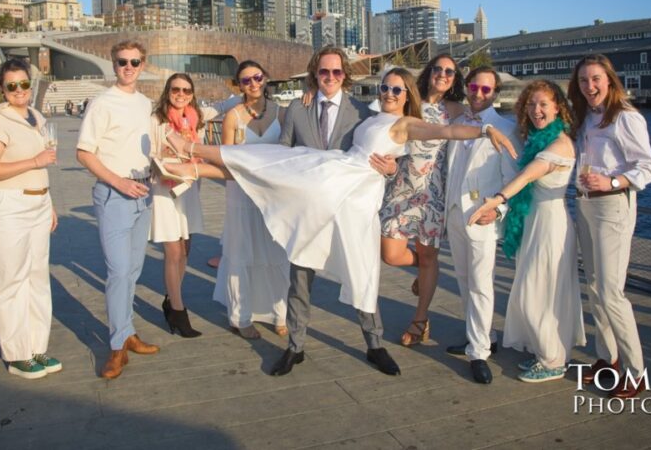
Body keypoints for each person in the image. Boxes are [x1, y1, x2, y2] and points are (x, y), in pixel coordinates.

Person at [162, 62, 516, 377]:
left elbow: (447, 132)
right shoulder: (361, 114)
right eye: (384, 87)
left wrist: (484, 131)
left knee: (364, 272)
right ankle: (295, 346)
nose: (388, 93)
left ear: (405, 93)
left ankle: (375, 345)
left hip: (355, 198)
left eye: (396, 89)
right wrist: (311, 93)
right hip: (327, 182)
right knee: (264, 164)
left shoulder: (404, 121)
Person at [469, 80, 585, 383]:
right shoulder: (538, 139)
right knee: (540, 289)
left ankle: (553, 360)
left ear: (557, 107)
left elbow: (527, 175)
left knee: (536, 291)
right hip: (534, 221)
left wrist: (497, 200)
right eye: (531, 104)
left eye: (543, 104)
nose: (536, 110)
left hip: (551, 225)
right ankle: (545, 351)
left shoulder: (559, 144)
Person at [569, 54, 651, 399]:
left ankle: (636, 372)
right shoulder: (584, 118)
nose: (589, 86)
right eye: (583, 81)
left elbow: (648, 167)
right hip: (584, 204)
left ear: (609, 80)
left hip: (612, 207)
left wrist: (614, 182)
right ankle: (608, 358)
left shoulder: (625, 118)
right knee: (593, 287)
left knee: (611, 292)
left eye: (595, 79)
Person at [76, 40, 159, 380]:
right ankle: (115, 347)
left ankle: (127, 332)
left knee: (134, 270)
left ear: (142, 65)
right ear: (113, 64)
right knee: (119, 272)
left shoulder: (146, 103)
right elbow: (84, 153)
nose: (128, 67)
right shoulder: (101, 103)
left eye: (134, 62)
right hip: (115, 194)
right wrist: (118, 182)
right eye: (122, 61)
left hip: (145, 192)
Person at [0, 58, 61, 379]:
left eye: (23, 84)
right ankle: (16, 354)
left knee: (37, 279)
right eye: (11, 86)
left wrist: (48, 201)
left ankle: (37, 347)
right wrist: (34, 160)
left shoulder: (36, 117)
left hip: (38, 203)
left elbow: (40, 168)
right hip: (8, 206)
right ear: (2, 89)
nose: (19, 91)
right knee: (10, 280)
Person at [379, 53, 466, 347]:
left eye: (450, 72)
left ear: (455, 79)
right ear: (429, 72)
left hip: (432, 194)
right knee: (390, 254)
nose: (443, 74)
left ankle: (420, 319)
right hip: (400, 188)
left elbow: (484, 115)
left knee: (429, 256)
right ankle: (426, 271)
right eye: (438, 69)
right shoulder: (408, 102)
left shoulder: (455, 110)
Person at [442, 66, 519, 385]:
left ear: (495, 93)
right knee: (462, 279)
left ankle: (479, 353)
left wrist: (499, 210)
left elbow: (513, 179)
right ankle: (484, 335)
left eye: (486, 90)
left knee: (481, 284)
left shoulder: (506, 127)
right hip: (454, 213)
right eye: (474, 86)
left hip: (482, 216)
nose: (478, 93)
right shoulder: (456, 124)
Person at [210, 61, 289, 340]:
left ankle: (279, 313)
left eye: (257, 77)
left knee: (277, 253)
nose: (253, 84)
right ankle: (240, 316)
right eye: (246, 81)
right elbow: (226, 159)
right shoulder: (233, 116)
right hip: (241, 195)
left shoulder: (282, 113)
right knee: (242, 253)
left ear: (265, 78)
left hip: (273, 196)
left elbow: (292, 153)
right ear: (239, 85)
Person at [148, 73, 217, 338]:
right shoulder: (157, 119)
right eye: (176, 89)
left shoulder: (195, 117)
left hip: (188, 188)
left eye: (186, 91)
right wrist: (162, 156)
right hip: (164, 188)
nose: (181, 94)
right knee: (173, 251)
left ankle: (169, 297)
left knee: (185, 248)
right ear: (168, 91)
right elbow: (149, 151)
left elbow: (225, 106)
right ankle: (178, 310)